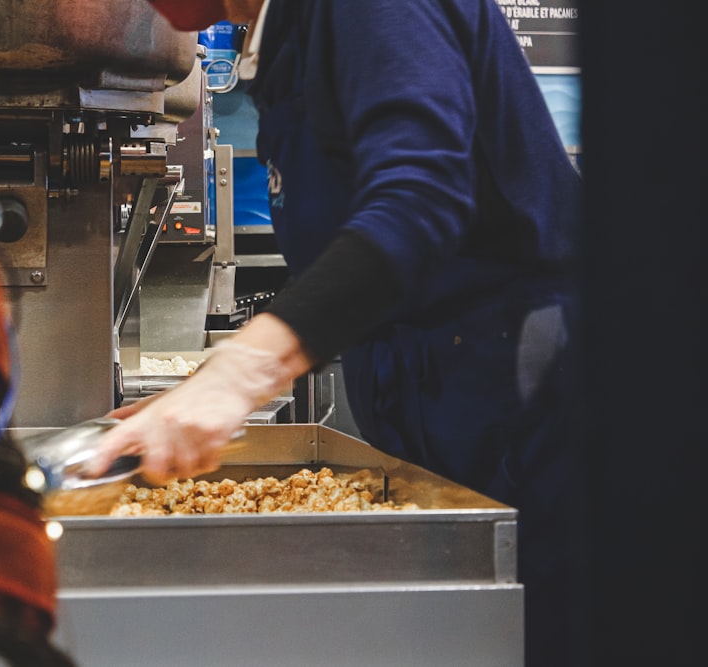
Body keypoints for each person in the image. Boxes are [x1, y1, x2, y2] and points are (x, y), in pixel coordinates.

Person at [95, 1, 591, 664]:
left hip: (529, 397)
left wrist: (239, 374)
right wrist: (198, 391)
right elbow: (350, 265)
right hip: (434, 399)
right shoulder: (287, 42)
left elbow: (421, 200)